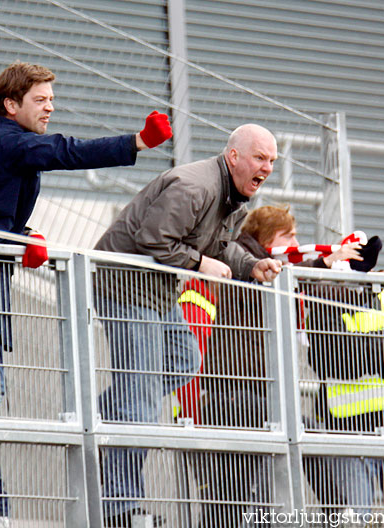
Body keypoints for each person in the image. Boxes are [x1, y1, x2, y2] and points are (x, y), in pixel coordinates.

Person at [0, 60, 173, 528]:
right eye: (41, 100)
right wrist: (137, 142)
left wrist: (19, 235)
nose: (51, 108)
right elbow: (64, 152)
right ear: (11, 104)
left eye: (51, 99)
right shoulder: (3, 141)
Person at [93, 124, 282, 526]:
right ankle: (119, 508)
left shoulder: (233, 197)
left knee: (184, 359)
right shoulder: (196, 186)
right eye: (260, 158)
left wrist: (251, 265)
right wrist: (198, 264)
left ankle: (99, 415)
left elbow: (219, 245)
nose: (266, 168)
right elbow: (153, 238)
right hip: (125, 288)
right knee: (141, 402)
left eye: (272, 162)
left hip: (156, 292)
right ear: (234, 156)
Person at [220, 204, 384, 527]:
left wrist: (375, 287)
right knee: (346, 519)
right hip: (339, 431)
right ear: (267, 239)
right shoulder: (276, 282)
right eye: (291, 236)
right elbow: (333, 358)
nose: (297, 244)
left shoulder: (383, 297)